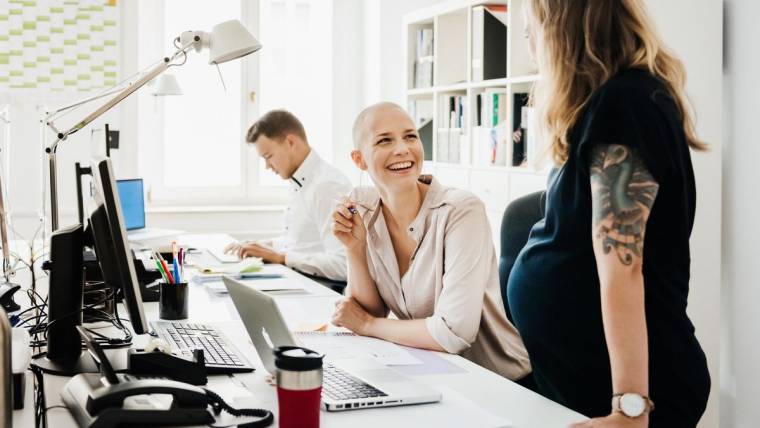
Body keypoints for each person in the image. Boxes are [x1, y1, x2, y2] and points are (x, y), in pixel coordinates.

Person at [507, 1, 710, 427]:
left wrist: (630, 409)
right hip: (583, 385)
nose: (530, 47)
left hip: (631, 395)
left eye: (531, 30)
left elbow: (621, 265)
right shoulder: (610, 104)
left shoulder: (625, 104)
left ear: (560, 30)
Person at [330, 102, 532, 383]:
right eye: (385, 140)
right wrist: (354, 249)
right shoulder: (363, 209)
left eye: (410, 136)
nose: (402, 148)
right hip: (433, 373)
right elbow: (368, 311)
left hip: (497, 381)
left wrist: (368, 325)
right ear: (359, 159)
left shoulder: (461, 211)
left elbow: (452, 333)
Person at [225, 109, 351, 282]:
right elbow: (302, 243)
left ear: (290, 142)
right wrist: (262, 245)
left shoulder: (327, 187)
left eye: (268, 156)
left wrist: (281, 257)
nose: (267, 166)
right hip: (297, 279)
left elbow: (344, 264)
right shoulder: (300, 180)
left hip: (318, 289)